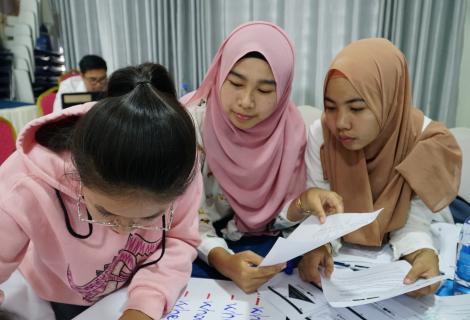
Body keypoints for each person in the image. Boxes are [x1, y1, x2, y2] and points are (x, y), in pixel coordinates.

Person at [0, 63, 202, 320]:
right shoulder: (27, 180)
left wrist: (145, 303)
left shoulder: (178, 163)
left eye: (148, 218)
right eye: (106, 212)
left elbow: (180, 238)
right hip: (58, 294)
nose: (123, 230)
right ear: (77, 175)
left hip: (138, 289)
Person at [183, 21, 343, 293]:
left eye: (265, 90)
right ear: (219, 74)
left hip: (262, 251)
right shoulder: (190, 125)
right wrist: (225, 261)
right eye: (235, 82)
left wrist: (303, 202)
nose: (246, 101)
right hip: (201, 252)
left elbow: (275, 218)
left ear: (282, 93)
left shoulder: (291, 131)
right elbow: (183, 218)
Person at [297, 38, 462, 297]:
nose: (340, 123)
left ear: (389, 100)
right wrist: (320, 245)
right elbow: (321, 209)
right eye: (330, 107)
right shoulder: (322, 135)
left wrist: (422, 253)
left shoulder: (424, 141)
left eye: (357, 108)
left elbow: (415, 218)